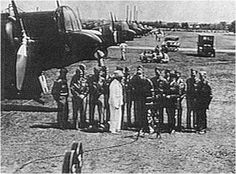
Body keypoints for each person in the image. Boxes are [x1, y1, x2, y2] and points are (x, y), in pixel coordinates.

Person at [130, 66, 154, 133]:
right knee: (138, 112)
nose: (139, 71)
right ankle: (139, 125)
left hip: (145, 99)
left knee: (146, 113)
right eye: (138, 70)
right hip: (137, 98)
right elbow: (131, 86)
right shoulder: (134, 78)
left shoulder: (146, 79)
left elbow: (151, 88)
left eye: (140, 70)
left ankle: (147, 126)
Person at [70, 65, 89, 129]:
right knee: (75, 111)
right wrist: (77, 95)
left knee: (83, 111)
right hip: (76, 97)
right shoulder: (74, 79)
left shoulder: (85, 78)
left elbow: (87, 87)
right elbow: (72, 88)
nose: (81, 75)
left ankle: (83, 124)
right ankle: (75, 125)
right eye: (79, 74)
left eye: (81, 73)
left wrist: (84, 95)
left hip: (83, 97)